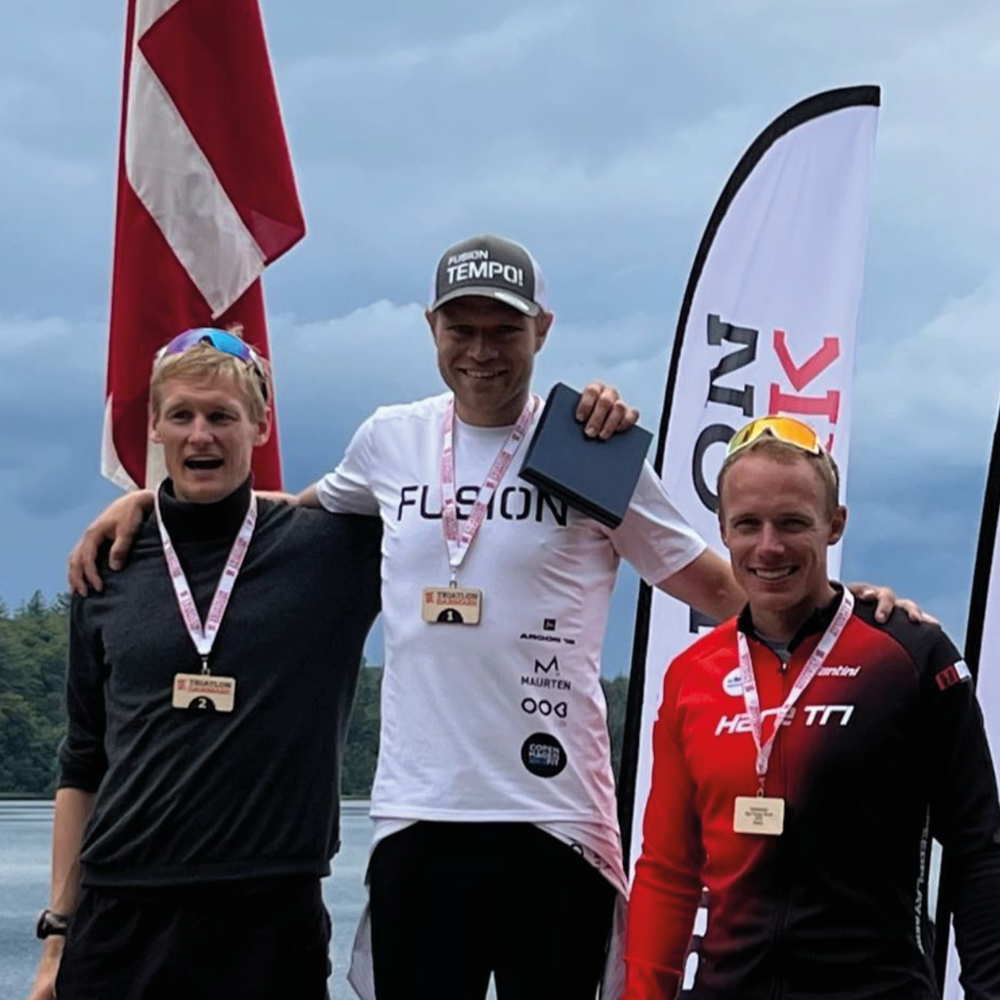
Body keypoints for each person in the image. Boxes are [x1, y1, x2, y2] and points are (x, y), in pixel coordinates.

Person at [67, 237, 908, 1000]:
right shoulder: (388, 441)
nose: (480, 350)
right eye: (461, 328)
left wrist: (847, 612)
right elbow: (279, 516)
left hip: (558, 822)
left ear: (542, 330)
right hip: (419, 820)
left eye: (503, 330)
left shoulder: (587, 445)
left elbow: (723, 590)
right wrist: (151, 504)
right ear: (431, 329)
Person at [29, 329, 382, 1000]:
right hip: (119, 918)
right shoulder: (108, 563)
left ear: (260, 425)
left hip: (268, 917)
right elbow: (82, 762)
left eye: (222, 416)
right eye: (182, 415)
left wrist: (585, 413)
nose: (200, 436)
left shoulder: (332, 552)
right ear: (154, 426)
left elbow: (458, 510)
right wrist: (56, 939)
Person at [622, 415, 1000, 1000]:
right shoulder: (693, 675)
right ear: (722, 529)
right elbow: (668, 870)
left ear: (835, 525)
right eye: (748, 524)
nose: (768, 547)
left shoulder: (908, 656)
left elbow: (979, 851)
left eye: (793, 523)